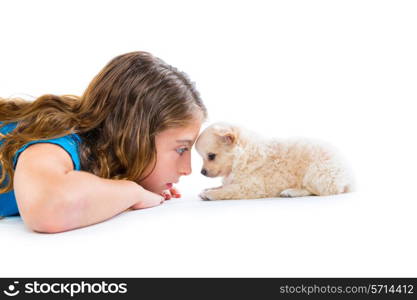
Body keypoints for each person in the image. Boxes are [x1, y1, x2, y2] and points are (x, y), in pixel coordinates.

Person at [0, 51, 207, 233]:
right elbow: (47, 207)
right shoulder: (59, 137)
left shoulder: (96, 152)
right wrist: (131, 193)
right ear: (135, 137)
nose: (187, 169)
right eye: (181, 149)